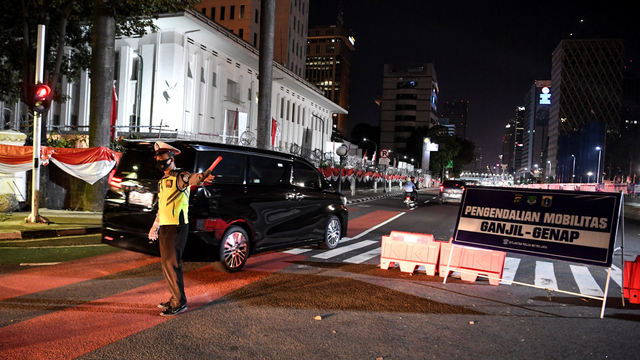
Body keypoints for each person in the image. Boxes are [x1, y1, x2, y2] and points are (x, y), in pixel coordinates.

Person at [148, 141, 212, 316]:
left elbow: (192, 179)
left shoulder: (180, 176)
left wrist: (201, 177)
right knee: (167, 265)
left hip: (177, 226)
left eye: (163, 157)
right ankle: (175, 298)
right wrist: (155, 226)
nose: (160, 160)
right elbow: (161, 207)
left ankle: (179, 302)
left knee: (171, 263)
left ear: (172, 158)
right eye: (158, 158)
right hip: (166, 227)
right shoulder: (162, 181)